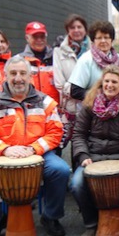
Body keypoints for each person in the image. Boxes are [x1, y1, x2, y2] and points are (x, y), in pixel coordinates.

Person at [0, 56, 70, 236]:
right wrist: (4, 150)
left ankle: (51, 216)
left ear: (30, 77)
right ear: (5, 76)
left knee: (61, 170)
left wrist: (33, 149)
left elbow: (55, 132)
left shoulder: (46, 102)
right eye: (13, 73)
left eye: (22, 73)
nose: (18, 78)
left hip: (37, 153)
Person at [70, 65, 119, 236]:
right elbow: (78, 134)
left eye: (114, 82)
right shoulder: (89, 105)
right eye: (107, 81)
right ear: (101, 83)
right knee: (76, 184)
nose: (110, 85)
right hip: (93, 159)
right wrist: (83, 156)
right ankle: (91, 223)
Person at [53, 14, 92, 149]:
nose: (76, 30)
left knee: (88, 143)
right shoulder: (59, 51)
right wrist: (76, 91)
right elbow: (59, 82)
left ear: (85, 29)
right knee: (69, 145)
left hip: (90, 105)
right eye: (72, 27)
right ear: (67, 30)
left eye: (79, 27)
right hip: (70, 107)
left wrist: (88, 94)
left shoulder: (94, 50)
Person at [69, 21, 119, 101]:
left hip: (117, 107)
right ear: (93, 40)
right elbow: (75, 91)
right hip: (92, 109)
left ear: (111, 40)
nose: (103, 41)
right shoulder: (86, 60)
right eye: (99, 38)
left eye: (106, 37)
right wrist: (101, 97)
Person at [16, 21, 59, 103]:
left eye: (42, 37)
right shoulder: (18, 61)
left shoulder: (56, 58)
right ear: (27, 38)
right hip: (30, 110)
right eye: (35, 37)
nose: (39, 40)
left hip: (54, 110)